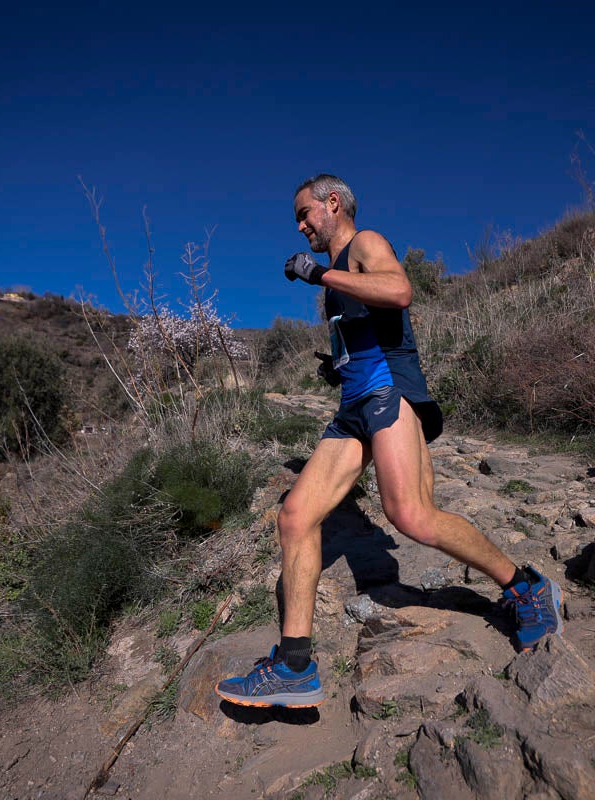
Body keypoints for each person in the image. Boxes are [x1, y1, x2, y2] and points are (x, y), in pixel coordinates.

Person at [215, 175, 562, 709]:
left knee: (412, 516)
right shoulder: (336, 281)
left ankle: (524, 587)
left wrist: (319, 273)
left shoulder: (366, 243)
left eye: (305, 213)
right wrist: (338, 364)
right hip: (353, 405)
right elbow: (368, 326)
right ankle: (294, 666)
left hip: (388, 395)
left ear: (333, 203)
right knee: (296, 517)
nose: (302, 225)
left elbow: (399, 291)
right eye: (298, 220)